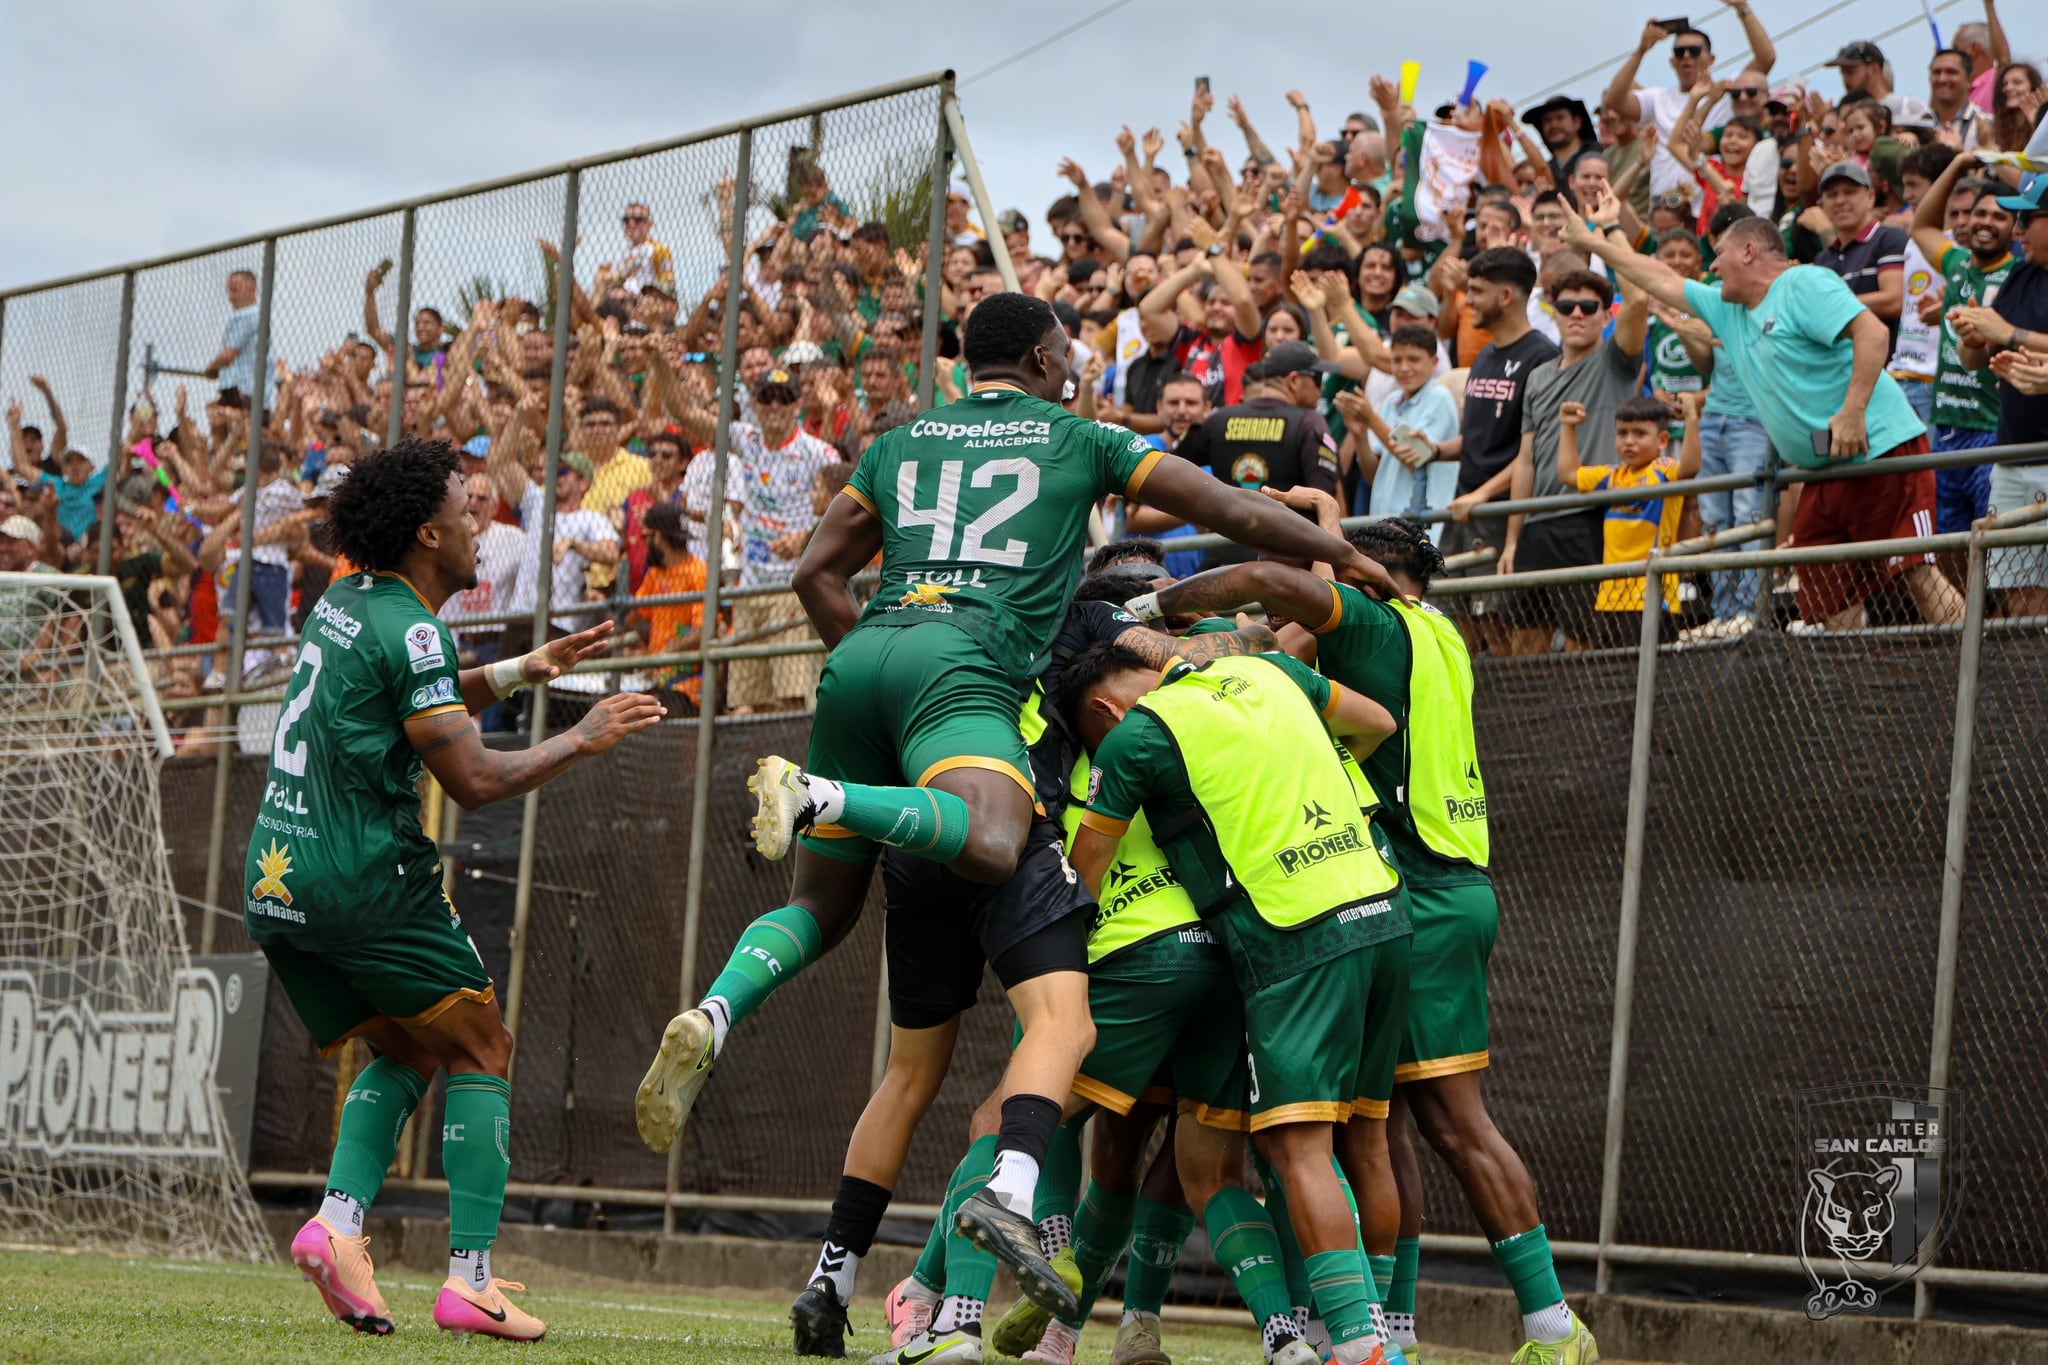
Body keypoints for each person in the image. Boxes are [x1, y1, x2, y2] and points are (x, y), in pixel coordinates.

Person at [634, 292, 1394, 1326]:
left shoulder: (899, 442)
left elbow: (815, 571)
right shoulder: (1080, 454)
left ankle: (726, 1024)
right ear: (1043, 357)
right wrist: (1337, 556)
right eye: (1067, 349)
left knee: (832, 934)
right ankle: (990, 1249)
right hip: (983, 741)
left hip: (871, 670)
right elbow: (1227, 514)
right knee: (1038, 990)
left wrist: (875, 675)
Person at [1140, 510, 1601, 1365]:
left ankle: (1551, 1324)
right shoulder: (1444, 633)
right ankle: (1393, 1330)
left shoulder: (1380, 627)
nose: (1306, 612)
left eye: (1327, 588)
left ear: (1357, 581)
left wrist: (1152, 601)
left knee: (1453, 1126)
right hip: (1436, 887)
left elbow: (1275, 590)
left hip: (1417, 890)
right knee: (1382, 1125)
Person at [246, 438, 661, 1342]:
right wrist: (581, 738)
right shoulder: (416, 626)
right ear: (428, 531)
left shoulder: (347, 600)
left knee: (408, 1041)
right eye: (469, 508)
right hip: (367, 878)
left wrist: (520, 669)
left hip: (279, 876)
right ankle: (469, 1278)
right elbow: (472, 777)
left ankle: (339, 1225)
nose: (483, 521)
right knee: (483, 1043)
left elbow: (410, 693)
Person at [1062, 638, 1410, 1365]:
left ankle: (1358, 1347)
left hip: (1290, 938)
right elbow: (1377, 721)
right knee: (1363, 1141)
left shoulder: (1138, 735)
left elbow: (1085, 871)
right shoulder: (1266, 669)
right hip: (1383, 907)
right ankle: (1365, 1336)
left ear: (1104, 709)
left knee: (1294, 1149)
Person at [1574, 215, 1964, 629]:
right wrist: (1592, 242)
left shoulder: (1803, 284)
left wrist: (1852, 411)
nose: (1711, 266)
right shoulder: (1726, 308)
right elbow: (1658, 277)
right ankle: (1851, 690)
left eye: (1719, 254)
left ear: (1748, 251)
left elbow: (1872, 333)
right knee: (1829, 596)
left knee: (1920, 575)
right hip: (1822, 472)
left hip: (1883, 453)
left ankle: (1975, 679)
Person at [1500, 203, 1651, 654]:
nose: (1578, 313)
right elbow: (1525, 460)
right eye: (1567, 306)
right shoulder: (1538, 375)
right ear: (1554, 310)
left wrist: (1603, 229)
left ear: (1607, 314)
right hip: (1537, 527)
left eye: (1590, 306)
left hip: (1592, 520)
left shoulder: (1615, 361)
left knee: (1587, 646)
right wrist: (1512, 538)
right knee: (1525, 643)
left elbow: (1640, 298)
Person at [1953, 176, 2048, 617]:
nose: (2017, 230)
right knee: (2022, 601)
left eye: (2027, 218)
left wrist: (2009, 333)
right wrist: (1972, 336)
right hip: (2011, 457)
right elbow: (1974, 360)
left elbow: (2008, 334)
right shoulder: (2020, 275)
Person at [1443, 249, 1561, 597]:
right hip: (1465, 507)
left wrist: (1484, 494)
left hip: (1506, 516)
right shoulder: (1484, 355)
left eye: (1477, 291)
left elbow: (1536, 452)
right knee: (1465, 627)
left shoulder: (1542, 357)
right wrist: (1433, 449)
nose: (1469, 302)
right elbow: (1478, 438)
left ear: (1506, 296)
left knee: (1505, 638)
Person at [1168, 340, 1344, 567]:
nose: (1321, 389)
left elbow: (1166, 466)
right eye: (1318, 379)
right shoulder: (1310, 423)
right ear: (1293, 380)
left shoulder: (1218, 419)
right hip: (1288, 569)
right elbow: (1322, 499)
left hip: (1223, 565)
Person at [1911, 156, 2015, 536]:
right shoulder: (1955, 264)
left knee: (1991, 544)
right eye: (1980, 213)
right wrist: (1956, 166)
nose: (1987, 222)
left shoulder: (2019, 276)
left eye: (2000, 217)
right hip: (1947, 429)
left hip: (1992, 429)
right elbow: (1921, 226)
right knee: (1947, 544)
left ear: (2015, 229)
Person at [1557, 393, 1704, 646]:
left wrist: (1691, 418)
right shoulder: (1612, 475)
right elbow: (1569, 473)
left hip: (1653, 598)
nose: (1629, 441)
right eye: (1622, 433)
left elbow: (1689, 467)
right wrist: (1567, 426)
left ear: (1662, 440)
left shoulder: (1663, 470)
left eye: (1639, 433)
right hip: (1610, 599)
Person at [1601, 8, 1777, 210]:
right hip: (1665, 206)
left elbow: (1766, 59)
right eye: (1679, 52)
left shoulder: (1726, 92)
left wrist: (1742, 8)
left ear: (1711, 59)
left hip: (1707, 204)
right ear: (1672, 61)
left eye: (1694, 51)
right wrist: (1640, 51)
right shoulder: (1658, 97)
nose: (1686, 56)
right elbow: (1614, 101)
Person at [1812, 163, 1907, 344]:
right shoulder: (1823, 259)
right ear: (1822, 205)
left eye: (1849, 192)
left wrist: (1831, 305)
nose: (1840, 201)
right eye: (1832, 195)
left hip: (1886, 363)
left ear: (1871, 197)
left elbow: (1894, 300)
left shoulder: (1889, 239)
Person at [626, 500, 706, 711]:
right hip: (654, 678)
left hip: (685, 684)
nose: (644, 544)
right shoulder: (656, 574)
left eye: (646, 537)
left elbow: (703, 629)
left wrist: (663, 655)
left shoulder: (698, 571)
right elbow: (636, 615)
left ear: (659, 537)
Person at [204, 269, 261, 408]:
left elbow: (229, 354)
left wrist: (212, 367)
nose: (230, 297)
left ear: (252, 290)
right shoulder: (254, 317)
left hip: (242, 392)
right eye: (229, 291)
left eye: (235, 290)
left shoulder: (247, 316)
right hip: (243, 391)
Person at [611, 201, 675, 296]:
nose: (631, 223)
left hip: (647, 301)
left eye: (638, 219)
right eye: (627, 219)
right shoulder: (624, 252)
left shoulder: (658, 249)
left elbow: (667, 282)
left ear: (649, 225)